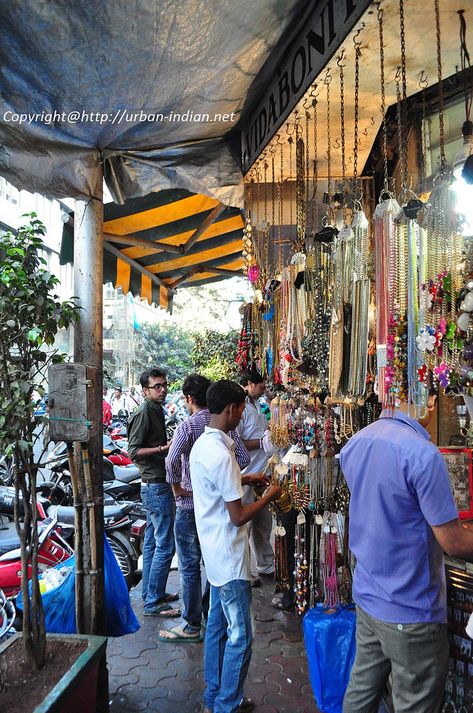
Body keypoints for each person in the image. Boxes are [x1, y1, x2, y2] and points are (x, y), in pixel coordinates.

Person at [339, 396, 473, 713]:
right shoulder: (424, 456)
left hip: (370, 596)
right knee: (414, 701)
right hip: (410, 609)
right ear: (424, 400)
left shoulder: (358, 441)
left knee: (361, 690)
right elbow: (452, 542)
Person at [190, 379, 282, 713]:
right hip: (229, 558)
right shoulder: (220, 453)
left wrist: (245, 479)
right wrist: (270, 495)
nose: (243, 415)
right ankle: (226, 704)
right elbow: (239, 515)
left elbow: (216, 486)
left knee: (216, 627)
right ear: (232, 408)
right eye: (242, 409)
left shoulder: (206, 444)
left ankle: (214, 697)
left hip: (214, 554)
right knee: (241, 636)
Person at [158, 374, 251, 644]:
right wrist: (230, 480)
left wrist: (178, 489)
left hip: (191, 505)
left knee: (190, 567)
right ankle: (212, 614)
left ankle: (191, 625)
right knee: (213, 564)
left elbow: (171, 461)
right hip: (221, 506)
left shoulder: (189, 428)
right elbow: (243, 458)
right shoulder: (225, 430)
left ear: (190, 399)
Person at [127, 368, 179, 618]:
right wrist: (164, 448)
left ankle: (151, 593)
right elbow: (134, 451)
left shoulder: (155, 410)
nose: (162, 389)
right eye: (157, 386)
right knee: (164, 544)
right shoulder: (144, 412)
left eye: (164, 385)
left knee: (151, 543)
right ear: (145, 390)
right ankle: (153, 602)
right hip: (154, 484)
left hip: (155, 483)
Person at [237, 368, 277, 582]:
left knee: (263, 522)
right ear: (249, 384)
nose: (264, 390)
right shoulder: (241, 408)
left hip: (262, 472)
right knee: (243, 525)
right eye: (261, 386)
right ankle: (244, 571)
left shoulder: (257, 405)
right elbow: (238, 443)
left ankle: (266, 564)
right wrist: (261, 443)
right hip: (246, 474)